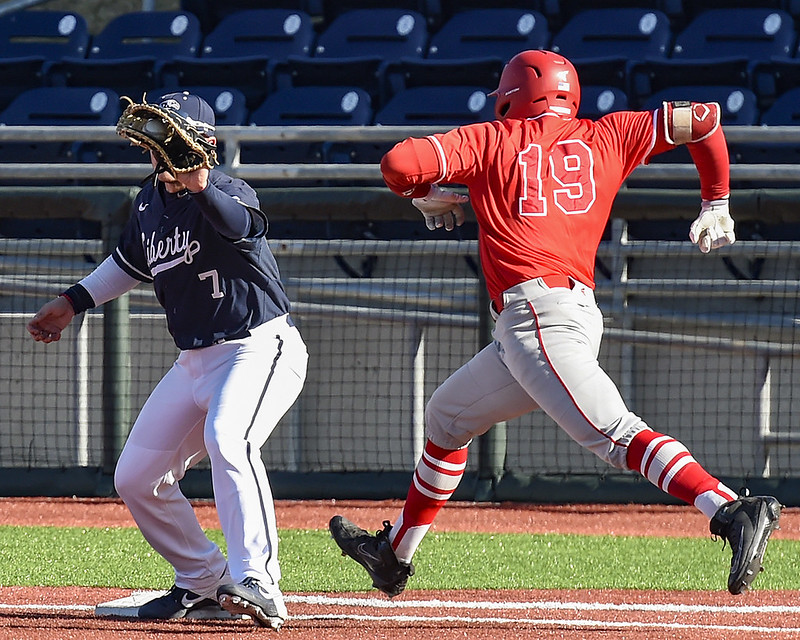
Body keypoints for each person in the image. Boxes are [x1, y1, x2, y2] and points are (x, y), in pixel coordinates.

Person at [328, 50, 781, 598]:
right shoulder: (609, 133)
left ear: (511, 95)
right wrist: (717, 201)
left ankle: (730, 509)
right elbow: (705, 118)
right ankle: (393, 555)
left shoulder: (493, 139)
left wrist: (425, 198)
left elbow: (398, 165)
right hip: (562, 315)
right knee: (446, 418)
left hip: (536, 317)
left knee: (613, 433)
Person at [27, 92, 307, 629]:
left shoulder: (227, 188)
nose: (156, 146)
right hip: (194, 360)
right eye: (155, 137)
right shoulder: (148, 200)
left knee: (232, 441)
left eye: (169, 136)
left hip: (258, 346)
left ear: (198, 143)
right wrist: (71, 302)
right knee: (136, 476)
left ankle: (259, 582)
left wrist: (200, 183)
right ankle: (203, 582)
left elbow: (241, 227)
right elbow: (129, 262)